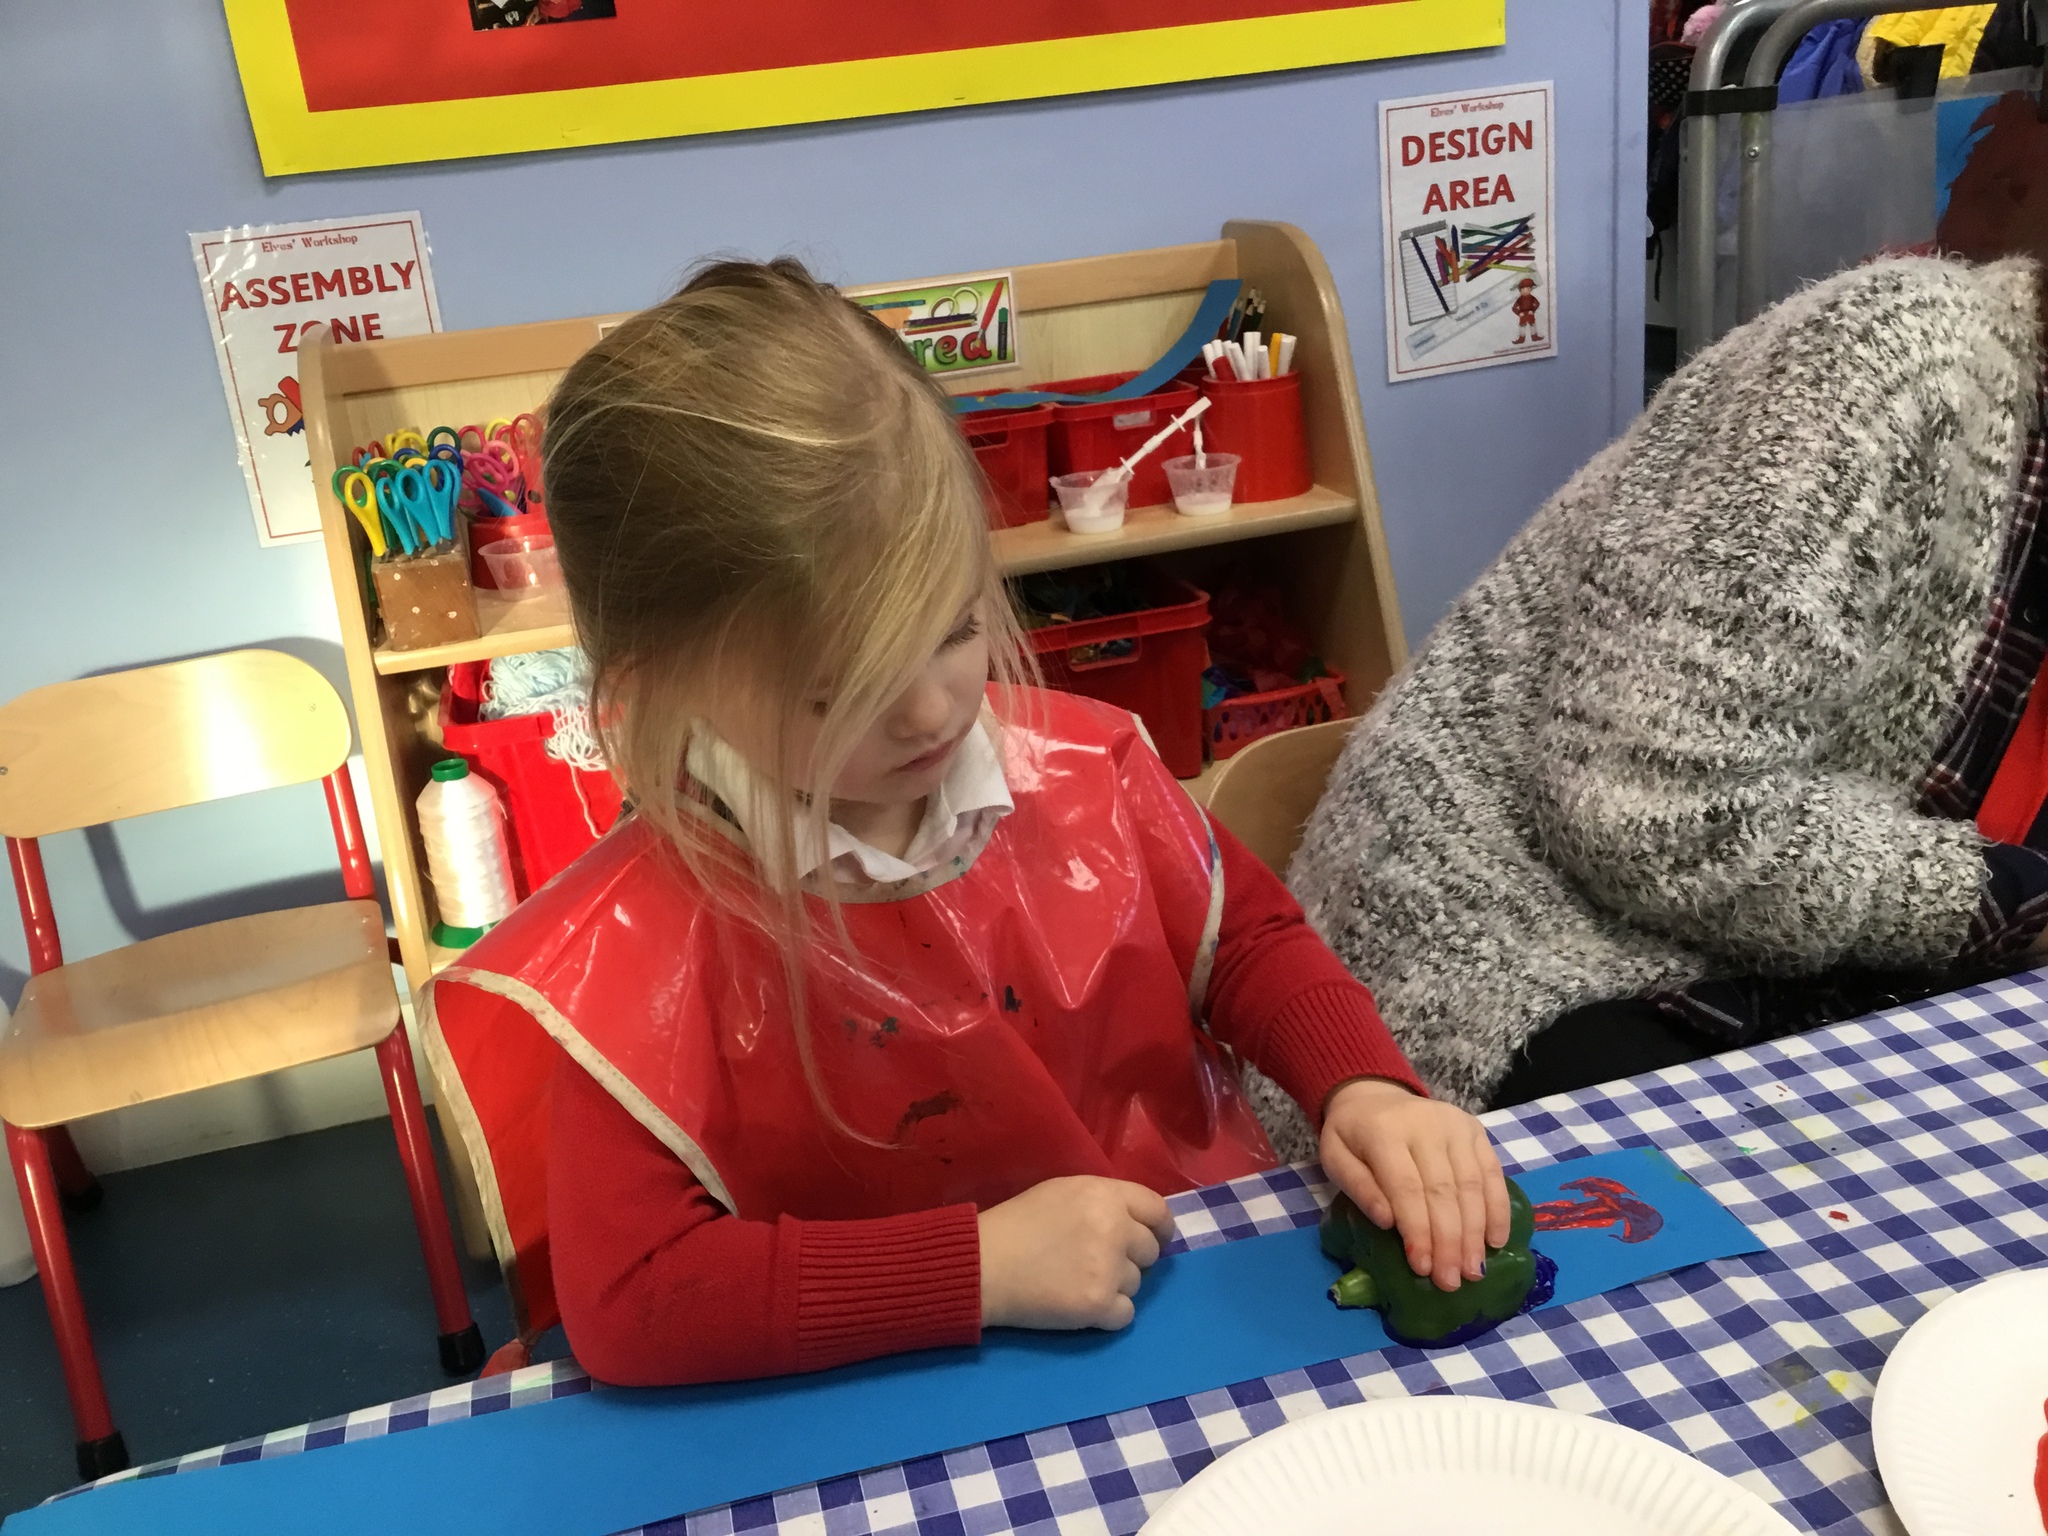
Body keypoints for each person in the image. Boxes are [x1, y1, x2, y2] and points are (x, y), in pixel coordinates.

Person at [425, 258, 1510, 1386]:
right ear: (658, 693)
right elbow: (633, 1301)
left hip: (1180, 1312)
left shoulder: (1083, 767)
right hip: (879, 1396)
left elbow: (1243, 943)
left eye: (952, 629)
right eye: (839, 692)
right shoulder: (635, 946)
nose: (936, 710)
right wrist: (972, 1268)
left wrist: (1360, 1083)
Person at [1292, 89, 2048, 1114]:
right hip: (1519, 955)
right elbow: (1655, 816)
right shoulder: (1890, 368)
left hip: (1818, 951)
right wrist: (1995, 896)